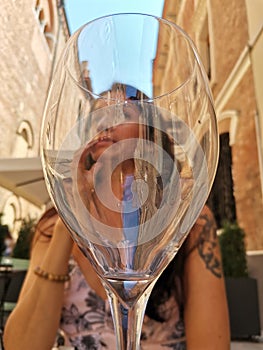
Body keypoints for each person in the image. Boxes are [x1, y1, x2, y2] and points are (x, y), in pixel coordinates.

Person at [4, 86, 230, 349]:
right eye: (98, 115)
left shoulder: (188, 219)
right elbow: (21, 345)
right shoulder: (53, 224)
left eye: (123, 111)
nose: (106, 121)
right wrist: (72, 217)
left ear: (150, 131)